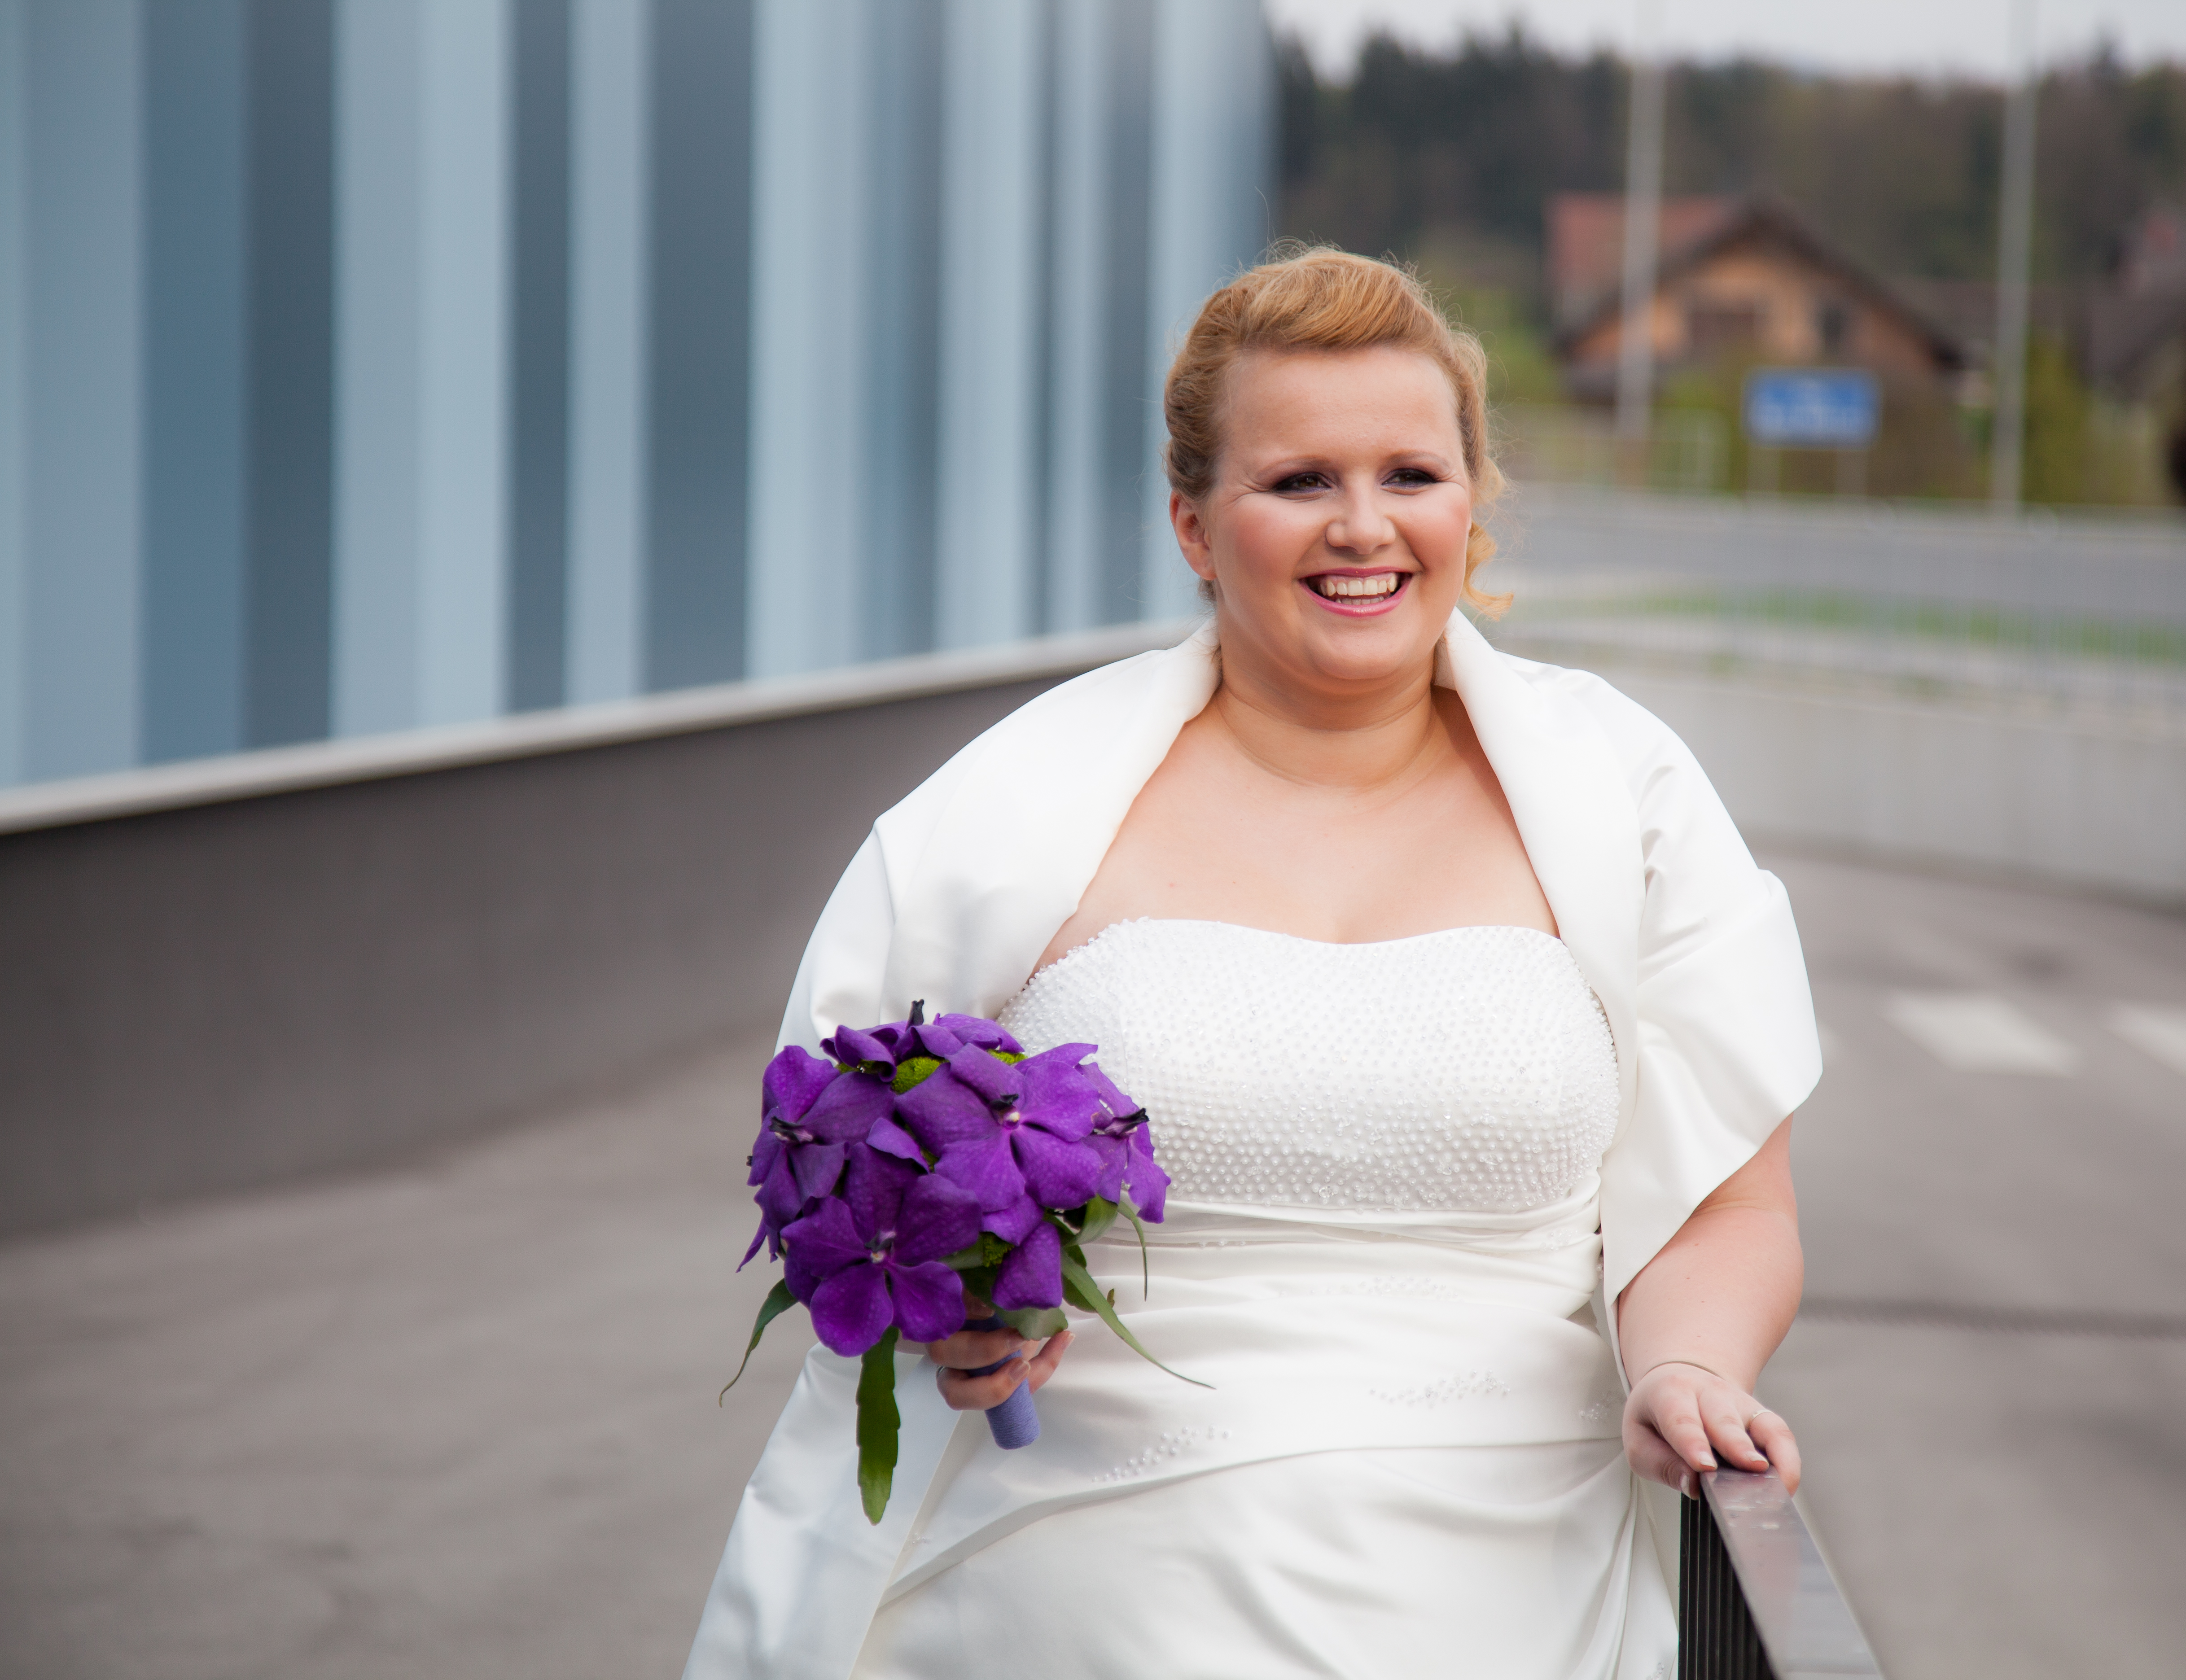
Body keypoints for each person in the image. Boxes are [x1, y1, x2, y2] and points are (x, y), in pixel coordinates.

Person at [684, 248, 1820, 1680]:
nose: (1365, 528)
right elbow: (849, 1154)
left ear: (1474, 507)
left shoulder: (1628, 798)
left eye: (1412, 474)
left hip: (1523, 1566)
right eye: (1299, 483)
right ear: (1195, 525)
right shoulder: (1012, 814)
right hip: (1088, 1564)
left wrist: (1687, 1368)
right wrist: (957, 1314)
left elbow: (1728, 1195)